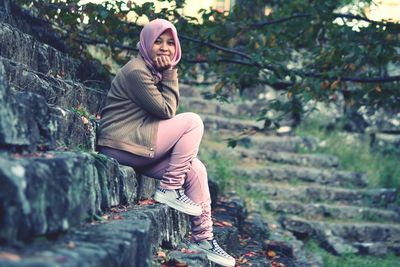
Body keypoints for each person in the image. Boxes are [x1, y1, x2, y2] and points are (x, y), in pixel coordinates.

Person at [96, 18, 235, 267]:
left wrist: (166, 74)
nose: (164, 47)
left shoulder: (152, 72)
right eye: (158, 41)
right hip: (120, 142)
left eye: (170, 42)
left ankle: (203, 238)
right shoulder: (137, 70)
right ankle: (169, 188)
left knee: (196, 170)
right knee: (192, 121)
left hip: (135, 143)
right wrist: (171, 73)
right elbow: (166, 111)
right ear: (146, 43)